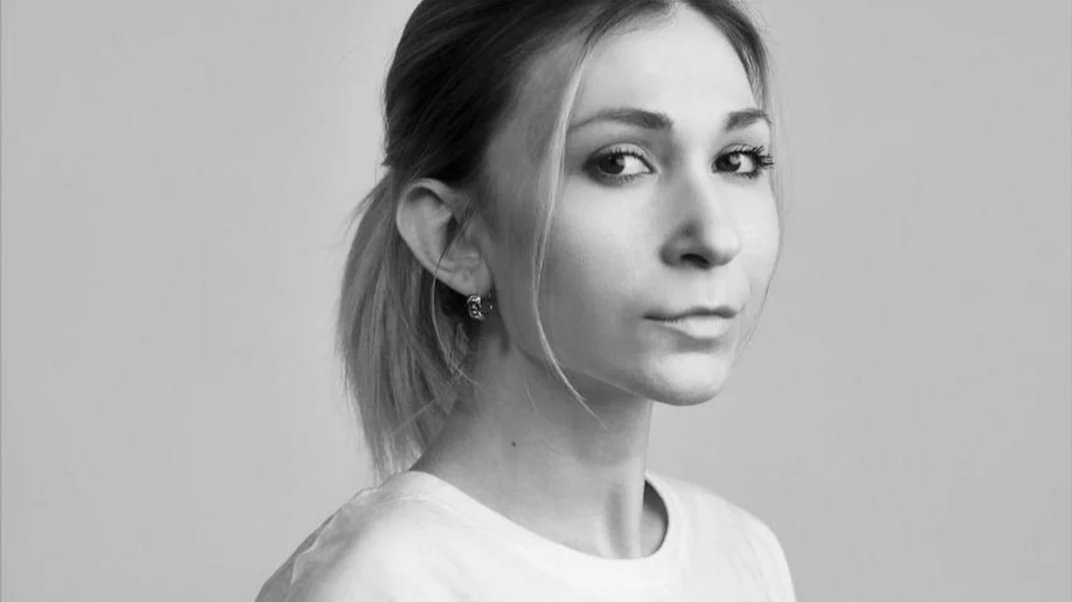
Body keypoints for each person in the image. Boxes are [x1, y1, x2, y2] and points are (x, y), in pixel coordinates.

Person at [257, 0, 795, 599]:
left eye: (737, 160)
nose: (715, 236)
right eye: (619, 162)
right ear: (455, 236)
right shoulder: (384, 582)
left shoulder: (744, 556)